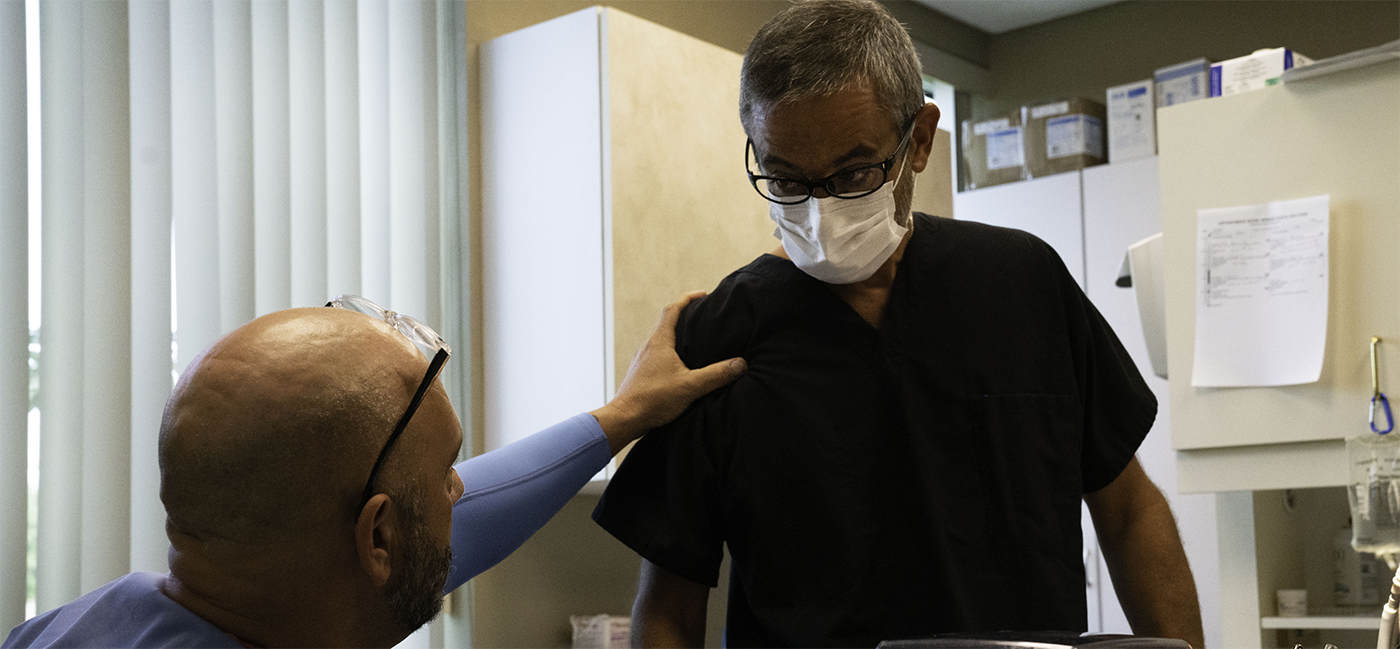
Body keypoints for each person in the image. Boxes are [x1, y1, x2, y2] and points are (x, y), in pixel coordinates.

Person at [591, 1, 1205, 648]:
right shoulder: (716, 338)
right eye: (786, 178)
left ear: (917, 141)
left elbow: (1131, 509)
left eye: (853, 172)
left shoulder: (1022, 283)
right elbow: (667, 608)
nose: (821, 212)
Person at [3, 292, 745, 649]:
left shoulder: (82, 625)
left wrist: (618, 417)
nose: (461, 491)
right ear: (378, 537)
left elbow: (441, 531)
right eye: (446, 473)